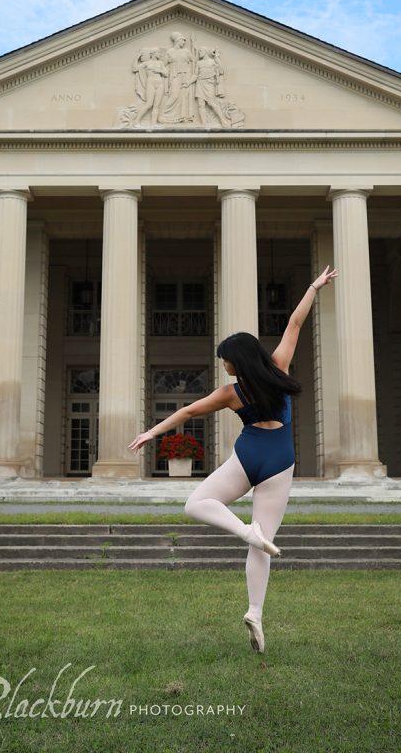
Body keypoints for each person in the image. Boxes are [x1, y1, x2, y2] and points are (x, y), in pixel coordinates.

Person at [128, 264, 338, 654]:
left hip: (248, 455)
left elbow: (188, 411)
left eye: (224, 358)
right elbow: (294, 323)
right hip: (280, 459)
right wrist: (314, 286)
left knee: (196, 504)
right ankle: (255, 611)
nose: (223, 363)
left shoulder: (231, 392)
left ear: (235, 362)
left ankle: (245, 532)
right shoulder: (278, 368)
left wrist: (153, 432)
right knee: (263, 544)